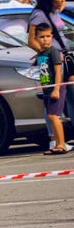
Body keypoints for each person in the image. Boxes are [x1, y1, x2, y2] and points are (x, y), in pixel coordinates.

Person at [28, 0, 74, 148]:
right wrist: (47, 53)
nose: (63, 0)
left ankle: (62, 138)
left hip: (62, 58)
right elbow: (31, 40)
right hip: (51, 61)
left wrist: (59, 8)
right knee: (51, 100)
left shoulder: (53, 11)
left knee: (69, 96)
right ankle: (53, 140)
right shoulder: (39, 14)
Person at [33, 22, 68, 154]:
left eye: (48, 36)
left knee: (54, 117)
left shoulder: (53, 51)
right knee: (50, 116)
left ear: (52, 37)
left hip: (55, 89)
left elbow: (58, 71)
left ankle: (62, 144)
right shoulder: (42, 53)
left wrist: (56, 89)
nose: (45, 39)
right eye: (42, 37)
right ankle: (56, 144)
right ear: (36, 38)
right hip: (46, 89)